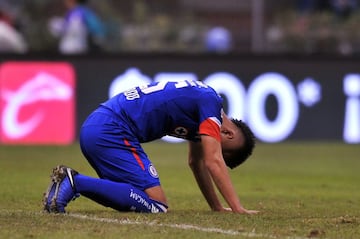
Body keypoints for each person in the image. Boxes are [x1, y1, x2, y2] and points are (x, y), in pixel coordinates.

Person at [43, 79, 259, 214]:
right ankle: (75, 182)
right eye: (223, 150)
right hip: (112, 131)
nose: (214, 149)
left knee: (136, 197)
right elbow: (213, 161)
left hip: (97, 126)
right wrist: (238, 208)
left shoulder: (201, 115)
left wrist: (217, 207)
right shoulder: (211, 104)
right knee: (157, 204)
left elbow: (197, 162)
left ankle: (64, 187)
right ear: (228, 133)